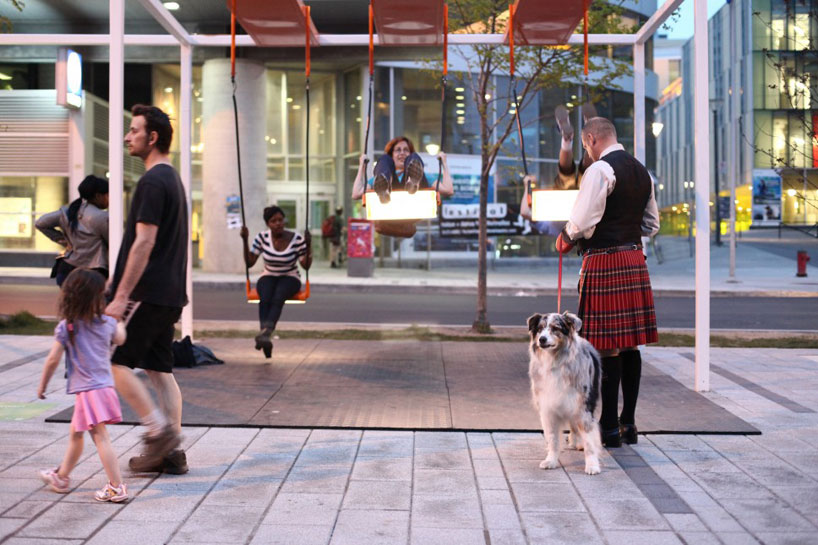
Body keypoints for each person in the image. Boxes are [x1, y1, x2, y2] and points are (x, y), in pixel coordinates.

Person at [555, 117, 660, 448]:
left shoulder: (599, 170)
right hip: (634, 260)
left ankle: (609, 428)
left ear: (590, 139)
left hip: (604, 261)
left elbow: (581, 221)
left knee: (607, 345)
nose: (587, 151)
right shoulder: (642, 172)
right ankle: (629, 424)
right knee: (631, 344)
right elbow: (651, 224)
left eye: (585, 145)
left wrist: (565, 237)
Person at [105, 104, 189, 475]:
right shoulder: (173, 179)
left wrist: (121, 295)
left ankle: (158, 433)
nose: (128, 137)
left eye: (134, 130)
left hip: (146, 293)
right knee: (159, 370)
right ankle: (171, 454)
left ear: (152, 137)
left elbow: (144, 241)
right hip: (168, 295)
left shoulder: (153, 182)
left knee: (114, 362)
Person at [37, 268, 128, 502]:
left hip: (89, 390)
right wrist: (119, 321)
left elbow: (53, 359)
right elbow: (120, 339)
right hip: (100, 388)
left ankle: (116, 486)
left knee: (100, 437)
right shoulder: (107, 323)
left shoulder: (67, 326)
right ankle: (61, 477)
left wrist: (42, 386)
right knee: (76, 434)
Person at [240, 205, 312, 358]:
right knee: (265, 297)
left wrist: (309, 245)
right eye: (273, 221)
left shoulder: (296, 239)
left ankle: (265, 334)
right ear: (268, 224)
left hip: (290, 276)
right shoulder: (262, 238)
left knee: (278, 296)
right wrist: (245, 240)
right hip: (268, 274)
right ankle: (265, 336)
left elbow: (306, 265)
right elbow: (250, 262)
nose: (278, 223)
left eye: (280, 220)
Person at [351, 136, 454, 238]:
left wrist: (444, 163)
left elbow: (448, 190)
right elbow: (356, 193)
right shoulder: (379, 180)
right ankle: (385, 189)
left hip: (410, 206)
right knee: (384, 160)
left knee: (414, 157)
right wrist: (361, 167)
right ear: (392, 155)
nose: (402, 153)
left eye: (406, 150)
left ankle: (413, 181)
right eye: (398, 150)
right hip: (392, 200)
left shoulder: (423, 176)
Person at [35, 175, 109, 286]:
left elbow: (40, 223)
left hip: (66, 270)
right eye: (108, 195)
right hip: (93, 274)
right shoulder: (102, 217)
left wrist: (64, 240)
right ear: (98, 196)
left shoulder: (68, 211)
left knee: (69, 298)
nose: (109, 199)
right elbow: (114, 244)